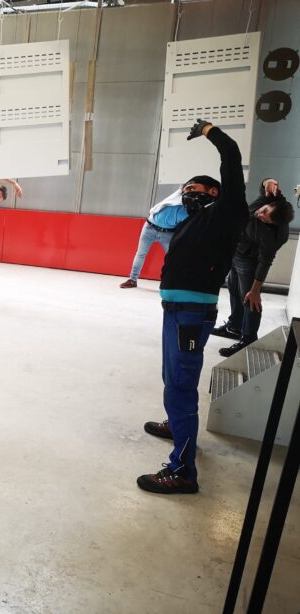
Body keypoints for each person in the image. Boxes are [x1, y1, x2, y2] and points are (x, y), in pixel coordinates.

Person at [139, 119, 248, 495]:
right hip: (176, 311)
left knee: (181, 386)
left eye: (195, 189)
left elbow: (231, 157)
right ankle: (178, 424)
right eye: (185, 190)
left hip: (190, 314)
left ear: (215, 192)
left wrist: (209, 132)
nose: (188, 194)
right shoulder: (191, 220)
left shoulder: (227, 211)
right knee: (174, 382)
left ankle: (182, 471)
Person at [212, 178, 294, 356]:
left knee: (250, 300)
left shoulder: (272, 238)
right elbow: (267, 186)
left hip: (250, 261)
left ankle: (248, 338)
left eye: (265, 217)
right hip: (237, 250)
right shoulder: (273, 202)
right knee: (234, 289)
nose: (260, 213)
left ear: (274, 224)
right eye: (264, 210)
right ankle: (234, 326)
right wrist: (268, 181)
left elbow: (265, 262)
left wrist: (256, 290)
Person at [119, 189, 187, 288]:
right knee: (141, 254)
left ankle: (172, 282)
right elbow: (182, 189)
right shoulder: (174, 197)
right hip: (149, 228)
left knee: (172, 258)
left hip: (167, 233)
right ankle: (132, 280)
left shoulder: (186, 211)